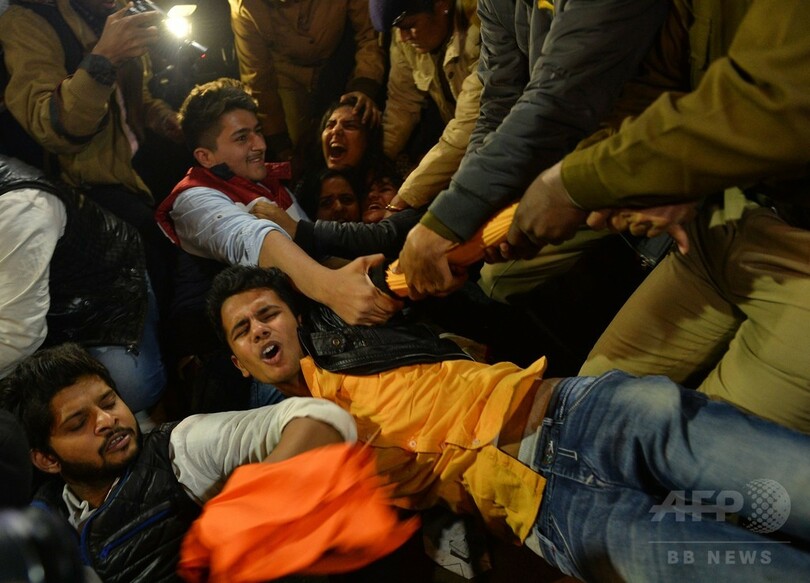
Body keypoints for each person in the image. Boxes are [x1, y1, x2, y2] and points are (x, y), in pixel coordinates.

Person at [208, 264, 810, 582]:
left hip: (587, 417)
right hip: (561, 514)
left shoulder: (352, 326)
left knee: (794, 484)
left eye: (269, 314)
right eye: (243, 330)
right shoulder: (287, 437)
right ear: (237, 362)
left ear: (298, 315)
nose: (260, 329)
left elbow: (299, 251)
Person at [499, 0, 810, 434]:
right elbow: (653, 87)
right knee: (584, 414)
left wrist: (579, 184)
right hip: (719, 225)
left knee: (697, 460)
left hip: (800, 257)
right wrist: (633, 181)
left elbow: (774, 103)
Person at [0, 342, 356, 583]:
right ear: (46, 459)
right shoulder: (38, 527)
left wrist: (249, 510)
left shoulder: (181, 448)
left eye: (109, 403)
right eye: (79, 424)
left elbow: (320, 419)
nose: (107, 420)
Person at [396, 0, 670, 301]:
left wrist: (453, 213)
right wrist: (483, 204)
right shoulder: (494, 4)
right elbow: (498, 102)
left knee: (500, 277)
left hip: (649, 141)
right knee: (495, 269)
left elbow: (561, 100)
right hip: (576, 143)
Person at [155, 77, 401, 326]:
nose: (261, 145)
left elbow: (314, 256)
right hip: (217, 341)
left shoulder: (270, 186)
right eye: (242, 138)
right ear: (205, 157)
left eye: (258, 131)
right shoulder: (193, 200)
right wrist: (333, 290)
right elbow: (252, 237)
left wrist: (384, 278)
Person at [0, 0, 182, 312]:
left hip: (137, 169)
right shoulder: (29, 20)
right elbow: (53, 126)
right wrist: (104, 59)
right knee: (154, 277)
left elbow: (134, 97)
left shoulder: (115, 12)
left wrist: (164, 118)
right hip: (86, 190)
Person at [0, 155, 165, 425]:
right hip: (35, 303)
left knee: (130, 389)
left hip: (105, 296)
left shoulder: (20, 206)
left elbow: (18, 334)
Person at [227, 0, 385, 162]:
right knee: (299, 147)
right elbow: (258, 78)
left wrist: (365, 86)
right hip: (285, 72)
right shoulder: (244, 6)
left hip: (339, 61)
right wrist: (280, 144)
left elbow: (369, 33)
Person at [371, 0, 483, 213]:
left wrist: (405, 196)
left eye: (409, 26)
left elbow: (469, 126)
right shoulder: (405, 34)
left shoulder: (479, 28)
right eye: (398, 29)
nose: (403, 37)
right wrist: (380, 161)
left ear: (442, 5)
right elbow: (402, 102)